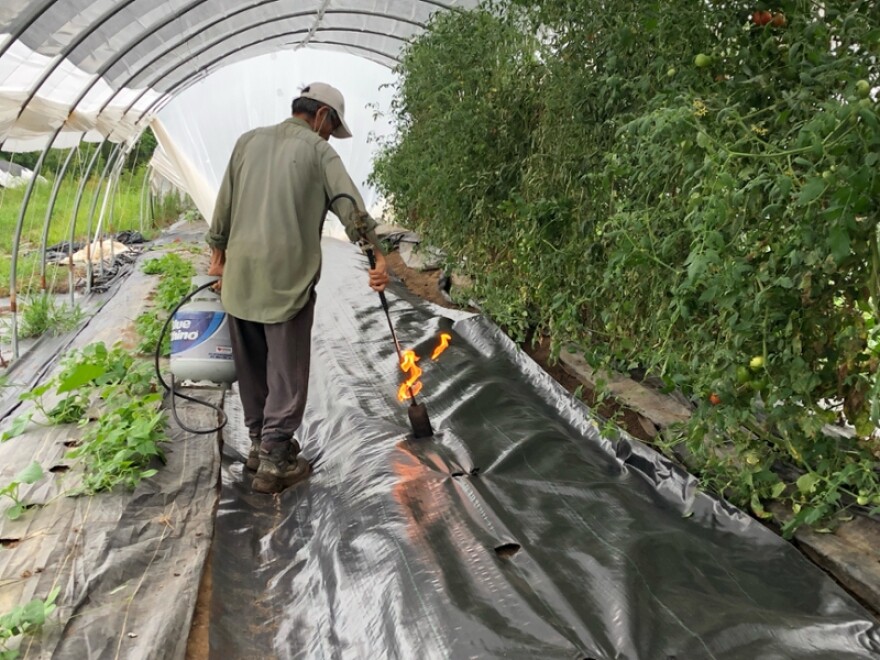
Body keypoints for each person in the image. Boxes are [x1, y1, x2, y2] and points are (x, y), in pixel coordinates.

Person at [206, 82, 389, 494]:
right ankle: (274, 460)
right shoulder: (319, 151)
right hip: (286, 277)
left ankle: (258, 443)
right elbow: (350, 207)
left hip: (241, 277)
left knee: (251, 364)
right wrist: (377, 255)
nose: (328, 135)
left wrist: (218, 257)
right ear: (322, 115)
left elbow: (224, 206)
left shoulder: (247, 142)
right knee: (287, 369)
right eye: (331, 126)